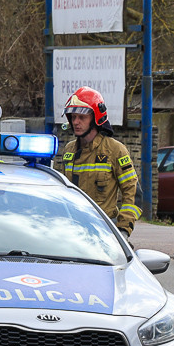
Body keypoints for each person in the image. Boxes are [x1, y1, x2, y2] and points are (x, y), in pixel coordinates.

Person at [56, 86, 142, 238]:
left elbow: (133, 193)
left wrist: (123, 231)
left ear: (96, 118)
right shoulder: (69, 151)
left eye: (82, 117)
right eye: (73, 117)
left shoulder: (115, 150)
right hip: (72, 231)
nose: (76, 122)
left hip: (104, 232)